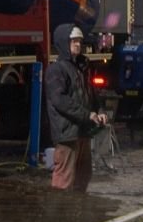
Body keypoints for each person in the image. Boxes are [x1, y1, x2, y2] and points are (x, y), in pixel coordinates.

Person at [45, 23, 110, 192]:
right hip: (67, 133)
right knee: (64, 178)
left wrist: (100, 112)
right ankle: (61, 212)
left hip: (82, 131)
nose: (78, 44)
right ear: (63, 42)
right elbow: (60, 101)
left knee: (84, 175)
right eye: (73, 41)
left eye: (80, 41)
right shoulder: (56, 70)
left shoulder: (83, 68)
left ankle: (78, 210)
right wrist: (87, 115)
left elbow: (92, 95)